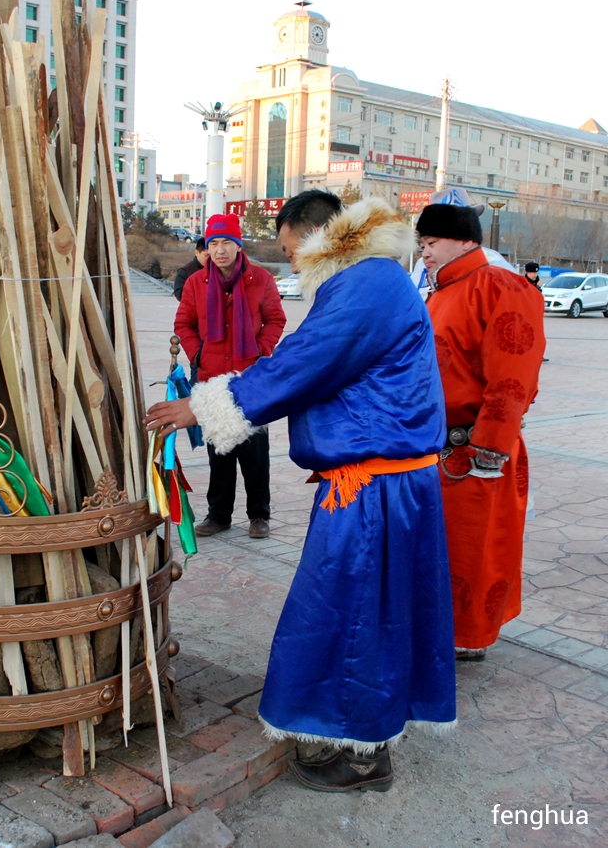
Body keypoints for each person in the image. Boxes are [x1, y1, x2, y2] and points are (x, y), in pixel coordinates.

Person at [146, 191, 456, 792]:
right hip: (382, 481)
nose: (290, 260)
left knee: (355, 616)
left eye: (289, 248)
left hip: (372, 489)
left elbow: (300, 365)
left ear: (316, 235)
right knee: (373, 613)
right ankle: (361, 735)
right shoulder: (374, 280)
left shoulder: (366, 284)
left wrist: (201, 407)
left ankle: (361, 757)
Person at [418, 203, 546, 662]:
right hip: (437, 446)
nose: (425, 252)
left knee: (474, 550)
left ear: (465, 241)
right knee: (442, 548)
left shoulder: (499, 286)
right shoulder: (439, 291)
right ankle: (439, 630)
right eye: (422, 243)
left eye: (433, 242)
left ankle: (467, 638)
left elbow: (513, 375)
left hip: (475, 450)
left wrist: (488, 449)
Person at [173, 213, 285, 539]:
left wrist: (260, 352)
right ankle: (219, 515)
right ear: (207, 248)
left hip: (250, 377)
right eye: (213, 243)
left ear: (238, 245)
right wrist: (197, 354)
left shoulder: (261, 279)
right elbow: (183, 324)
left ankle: (259, 515)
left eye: (226, 242)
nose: (219, 250)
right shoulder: (197, 283)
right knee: (219, 449)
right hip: (211, 376)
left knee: (254, 450)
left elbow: (275, 319)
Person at [172, 237, 208, 302]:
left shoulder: (218, 269)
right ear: (196, 252)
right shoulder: (185, 271)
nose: (209, 259)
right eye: (206, 255)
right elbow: (179, 294)